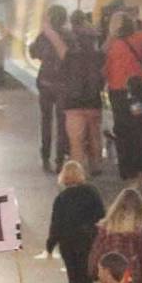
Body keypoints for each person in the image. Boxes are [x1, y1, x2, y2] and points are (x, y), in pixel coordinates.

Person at [87, 182, 142, 283]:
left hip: (111, 278)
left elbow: (97, 251)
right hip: (137, 280)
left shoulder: (107, 227)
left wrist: (93, 272)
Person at [44, 160, 103, 283]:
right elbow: (101, 215)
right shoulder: (92, 192)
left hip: (68, 243)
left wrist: (50, 245)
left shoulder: (62, 198)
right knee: (86, 275)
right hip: (87, 240)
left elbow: (56, 224)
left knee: (73, 276)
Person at [56, 26, 105, 175]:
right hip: (93, 102)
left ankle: (78, 172)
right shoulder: (99, 56)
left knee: (76, 142)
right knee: (94, 136)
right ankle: (95, 165)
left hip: (73, 103)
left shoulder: (68, 55)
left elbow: (55, 40)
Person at [29, 6, 69, 173]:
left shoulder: (44, 36)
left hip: (45, 82)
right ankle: (60, 159)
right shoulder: (68, 36)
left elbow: (33, 53)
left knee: (46, 120)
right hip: (63, 84)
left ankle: (45, 155)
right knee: (62, 123)